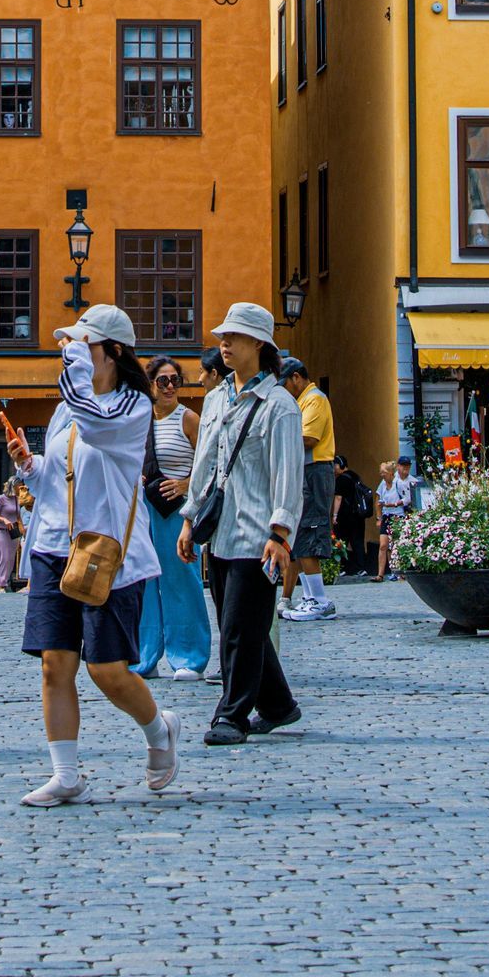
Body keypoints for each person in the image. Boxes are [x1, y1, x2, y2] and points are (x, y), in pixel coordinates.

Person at [6, 306, 178, 807]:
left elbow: (98, 428)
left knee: (107, 670)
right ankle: (66, 775)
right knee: (54, 665)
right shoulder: (71, 406)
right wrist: (30, 466)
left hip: (108, 554)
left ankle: (159, 729)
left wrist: (75, 369)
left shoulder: (131, 408)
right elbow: (58, 478)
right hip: (54, 547)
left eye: (85, 346)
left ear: (114, 353)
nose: (72, 354)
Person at [179, 304, 305, 746]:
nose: (224, 344)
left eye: (234, 337)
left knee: (237, 628)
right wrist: (190, 519)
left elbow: (288, 476)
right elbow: (206, 465)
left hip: (259, 536)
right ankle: (279, 704)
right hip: (222, 532)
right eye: (223, 336)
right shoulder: (215, 399)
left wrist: (280, 534)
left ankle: (231, 715)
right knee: (241, 624)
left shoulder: (280, 406)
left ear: (260, 345)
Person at [135, 356, 211, 679]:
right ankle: (145, 656)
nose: (169, 386)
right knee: (145, 584)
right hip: (146, 510)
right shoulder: (140, 420)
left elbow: (209, 464)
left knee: (182, 583)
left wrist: (184, 483)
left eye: (175, 380)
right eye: (162, 381)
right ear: (151, 385)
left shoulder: (189, 419)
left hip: (179, 511)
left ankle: (189, 657)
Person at [280, 355, 338, 622]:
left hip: (315, 471)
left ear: (296, 377)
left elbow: (309, 438)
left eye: (286, 383)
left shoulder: (314, 398)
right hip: (307, 471)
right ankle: (310, 597)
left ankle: (320, 600)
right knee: (302, 535)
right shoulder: (302, 400)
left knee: (310, 531)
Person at [334, 457, 373, 580]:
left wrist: (334, 515)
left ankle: (343, 568)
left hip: (345, 516)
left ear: (340, 465)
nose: (333, 469)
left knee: (342, 542)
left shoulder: (341, 479)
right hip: (358, 515)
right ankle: (361, 568)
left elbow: (338, 498)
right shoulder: (355, 476)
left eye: (334, 465)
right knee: (358, 541)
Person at [375, 460, 411, 579]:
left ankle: (396, 571)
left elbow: (407, 499)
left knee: (395, 544)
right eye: (381, 473)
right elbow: (378, 500)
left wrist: (394, 504)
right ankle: (380, 574)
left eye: (384, 473)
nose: (382, 475)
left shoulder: (398, 483)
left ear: (391, 473)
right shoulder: (383, 484)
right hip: (386, 516)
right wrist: (379, 517)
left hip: (397, 516)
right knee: (383, 545)